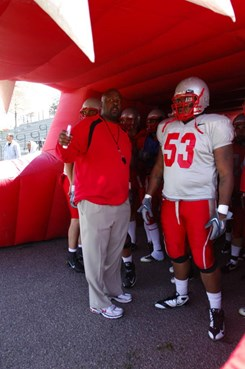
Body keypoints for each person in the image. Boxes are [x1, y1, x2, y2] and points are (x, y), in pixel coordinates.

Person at [138, 77, 234, 341]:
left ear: (201, 99)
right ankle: (181, 295)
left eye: (186, 100)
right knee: (176, 253)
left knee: (204, 259)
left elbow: (226, 172)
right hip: (170, 201)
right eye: (178, 100)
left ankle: (216, 310)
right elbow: (160, 167)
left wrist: (222, 211)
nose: (181, 105)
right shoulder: (166, 127)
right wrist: (148, 196)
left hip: (200, 201)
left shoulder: (215, 124)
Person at [56, 88, 132, 319]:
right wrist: (63, 143)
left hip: (120, 201)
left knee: (114, 252)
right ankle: (98, 302)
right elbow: (66, 155)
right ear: (102, 104)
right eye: (110, 100)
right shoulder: (88, 125)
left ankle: (112, 289)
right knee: (94, 254)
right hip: (94, 202)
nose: (115, 103)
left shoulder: (123, 132)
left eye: (118, 100)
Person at [63, 97, 101, 272]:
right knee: (77, 219)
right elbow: (68, 163)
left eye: (90, 112)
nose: (86, 116)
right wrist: (72, 186)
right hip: (74, 180)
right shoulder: (77, 131)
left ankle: (81, 252)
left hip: (83, 181)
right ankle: (72, 256)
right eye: (84, 112)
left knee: (84, 220)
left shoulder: (98, 130)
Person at [138, 109, 165, 262]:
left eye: (154, 120)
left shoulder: (169, 135)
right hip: (149, 179)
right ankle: (156, 248)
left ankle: (169, 251)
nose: (150, 124)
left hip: (167, 181)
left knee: (167, 216)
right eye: (149, 121)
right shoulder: (143, 138)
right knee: (147, 213)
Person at [221, 113, 245, 272]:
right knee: (229, 221)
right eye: (237, 126)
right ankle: (229, 244)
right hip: (231, 189)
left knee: (239, 224)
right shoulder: (228, 145)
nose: (240, 130)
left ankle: (234, 258)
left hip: (241, 191)